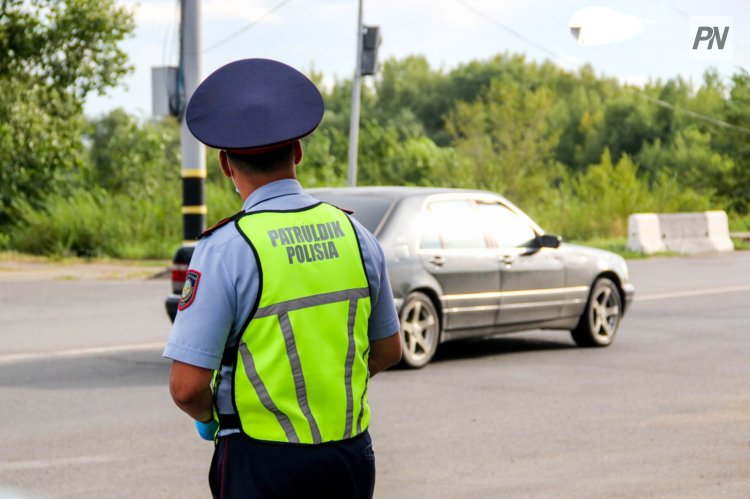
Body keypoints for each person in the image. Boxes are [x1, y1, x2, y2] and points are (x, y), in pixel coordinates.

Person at [163, 58, 402, 499]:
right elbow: (388, 349)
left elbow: (186, 387)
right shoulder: (357, 235)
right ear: (297, 152)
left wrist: (213, 418)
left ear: (224, 165)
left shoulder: (227, 248)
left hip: (262, 463)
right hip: (349, 458)